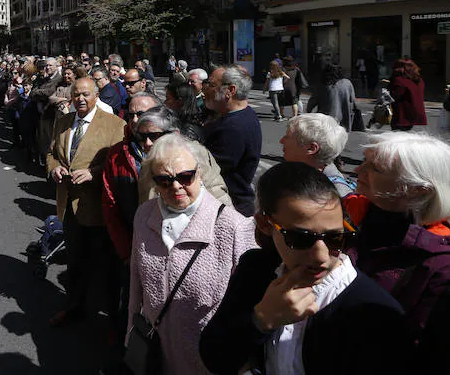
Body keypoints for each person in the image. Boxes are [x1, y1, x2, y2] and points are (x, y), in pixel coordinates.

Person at [199, 162, 412, 375]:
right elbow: (214, 357)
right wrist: (261, 320)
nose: (321, 256)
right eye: (300, 238)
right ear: (265, 224)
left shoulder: (374, 313)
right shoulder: (256, 270)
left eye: (335, 238)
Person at [129, 133, 256, 375]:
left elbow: (248, 308)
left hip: (208, 359)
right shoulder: (144, 216)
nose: (176, 186)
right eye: (164, 180)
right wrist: (130, 335)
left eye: (185, 177)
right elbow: (137, 284)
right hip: (157, 352)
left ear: (200, 173)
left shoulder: (234, 227)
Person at [347, 132, 450, 343]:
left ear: (417, 190)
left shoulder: (438, 264)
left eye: (375, 168)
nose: (358, 170)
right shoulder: (347, 215)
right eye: (364, 161)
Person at [47, 77, 125, 326]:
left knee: (106, 268)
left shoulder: (115, 125)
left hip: (100, 209)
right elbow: (51, 153)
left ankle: (112, 320)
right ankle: (74, 308)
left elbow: (121, 163)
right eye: (76, 95)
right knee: (75, 263)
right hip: (69, 205)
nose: (80, 99)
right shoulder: (64, 122)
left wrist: (94, 173)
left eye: (86, 94)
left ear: (96, 95)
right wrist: (55, 168)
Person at [102, 93, 161, 263]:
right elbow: (110, 205)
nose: (135, 120)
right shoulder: (116, 154)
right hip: (132, 244)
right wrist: (125, 250)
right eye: (131, 115)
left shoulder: (178, 148)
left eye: (141, 114)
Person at [202, 65, 262, 216]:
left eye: (211, 84)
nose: (205, 89)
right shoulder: (240, 115)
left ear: (230, 90)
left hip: (230, 208)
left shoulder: (233, 128)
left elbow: (208, 170)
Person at [280, 113, 353, 196]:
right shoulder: (298, 172)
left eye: (287, 137)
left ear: (311, 148)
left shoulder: (334, 195)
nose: (281, 141)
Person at [307, 63, 359, 131]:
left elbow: (313, 100)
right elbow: (352, 100)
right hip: (344, 118)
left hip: (326, 118)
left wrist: (308, 111)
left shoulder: (323, 85)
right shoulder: (347, 83)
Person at [388, 57, 427, 131]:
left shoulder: (399, 80)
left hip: (402, 115)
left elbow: (395, 95)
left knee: (397, 135)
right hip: (413, 114)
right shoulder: (419, 80)